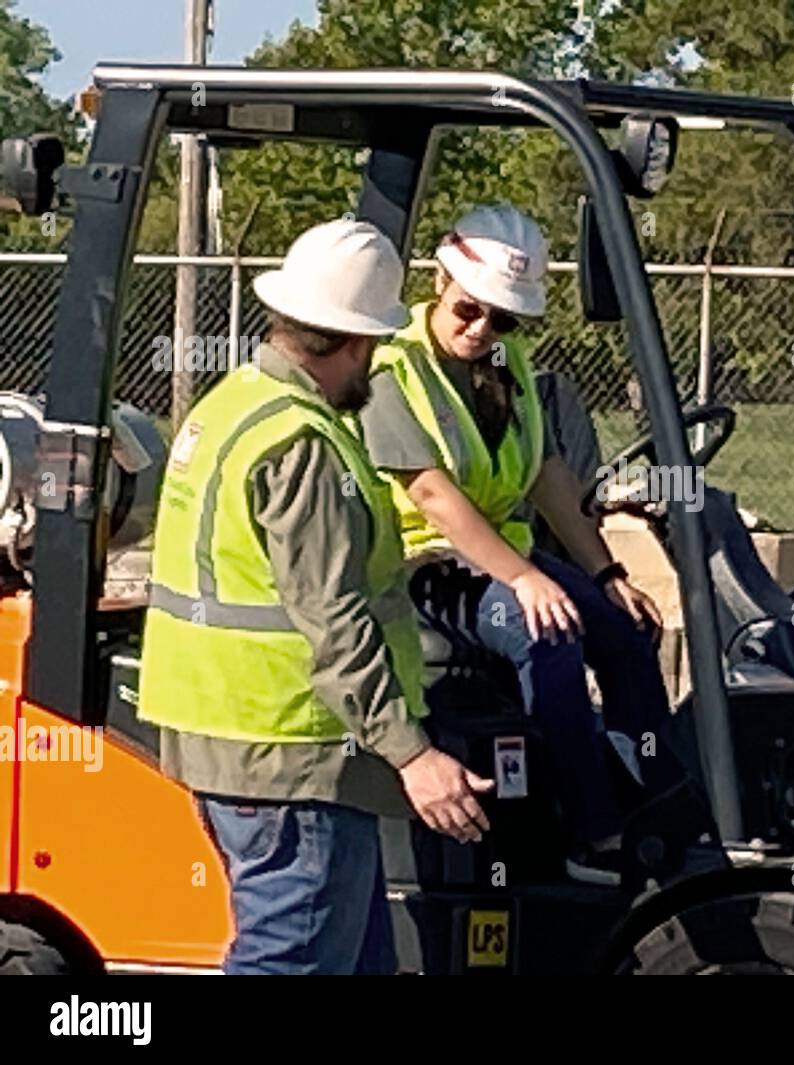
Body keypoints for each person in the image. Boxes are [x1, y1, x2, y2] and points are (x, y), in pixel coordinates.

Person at [137, 219, 493, 974]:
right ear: (357, 340)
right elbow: (336, 621)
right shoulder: (302, 445)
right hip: (292, 754)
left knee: (353, 961)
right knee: (291, 961)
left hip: (239, 743)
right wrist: (414, 753)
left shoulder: (234, 402)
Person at [356, 204, 682, 884]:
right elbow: (431, 496)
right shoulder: (395, 366)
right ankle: (588, 831)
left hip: (498, 558)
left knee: (622, 629)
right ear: (440, 278)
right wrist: (527, 580)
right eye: (469, 310)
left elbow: (546, 473)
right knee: (545, 633)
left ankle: (660, 798)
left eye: (502, 320)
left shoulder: (511, 365)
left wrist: (605, 570)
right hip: (425, 567)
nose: (480, 330)